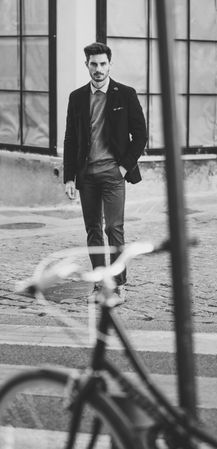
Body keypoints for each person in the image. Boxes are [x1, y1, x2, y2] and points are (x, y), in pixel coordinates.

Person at [63, 42, 147, 303]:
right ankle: (100, 285)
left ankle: (119, 285)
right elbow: (70, 140)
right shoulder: (76, 97)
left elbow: (141, 135)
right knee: (93, 231)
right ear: (86, 65)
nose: (98, 69)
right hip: (87, 175)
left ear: (110, 64)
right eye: (93, 64)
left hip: (113, 174)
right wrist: (69, 177)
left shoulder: (126, 94)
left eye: (102, 64)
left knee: (114, 228)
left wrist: (123, 167)